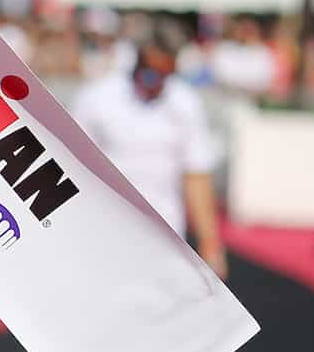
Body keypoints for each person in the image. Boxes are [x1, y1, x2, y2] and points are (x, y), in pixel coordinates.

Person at [70, 34, 228, 277]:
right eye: (151, 73)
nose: (155, 82)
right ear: (137, 64)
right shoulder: (98, 98)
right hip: (106, 227)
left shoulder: (185, 103)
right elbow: (73, 163)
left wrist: (211, 244)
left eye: (165, 75)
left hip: (166, 231)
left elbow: (196, 175)